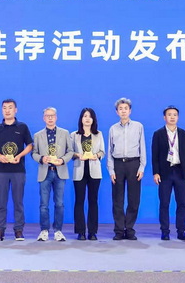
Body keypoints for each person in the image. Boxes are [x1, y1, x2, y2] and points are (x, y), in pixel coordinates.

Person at [0, 99, 33, 241]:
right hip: (1, 170)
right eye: (4, 108)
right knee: (1, 202)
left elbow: (30, 145)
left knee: (18, 201)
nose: (7, 110)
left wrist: (19, 156)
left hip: (18, 170)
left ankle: (18, 230)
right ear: (2, 110)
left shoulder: (22, 127)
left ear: (15, 110)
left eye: (10, 108)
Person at [32, 107, 74, 242]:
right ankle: (44, 230)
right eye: (47, 116)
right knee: (43, 204)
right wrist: (41, 158)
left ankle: (58, 231)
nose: (50, 118)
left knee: (59, 203)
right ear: (43, 118)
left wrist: (62, 160)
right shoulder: (38, 135)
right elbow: (34, 153)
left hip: (59, 172)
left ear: (56, 117)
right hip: (45, 172)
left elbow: (70, 151)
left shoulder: (64, 133)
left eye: (52, 116)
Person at [107, 97, 147, 241]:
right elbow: (109, 151)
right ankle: (119, 230)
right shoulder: (113, 128)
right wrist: (111, 170)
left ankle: (129, 229)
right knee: (117, 199)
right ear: (117, 112)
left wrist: (142, 167)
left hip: (133, 164)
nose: (123, 111)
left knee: (133, 199)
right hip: (118, 164)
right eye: (120, 109)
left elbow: (142, 147)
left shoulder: (138, 126)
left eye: (126, 108)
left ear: (130, 111)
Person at [151, 106, 185, 241]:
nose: (172, 117)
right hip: (165, 173)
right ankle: (165, 231)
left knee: (182, 203)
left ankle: (181, 231)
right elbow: (155, 155)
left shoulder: (183, 134)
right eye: (169, 114)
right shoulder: (158, 134)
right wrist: (156, 172)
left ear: (178, 117)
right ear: (165, 117)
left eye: (175, 115)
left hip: (180, 171)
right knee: (164, 203)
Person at [71, 108, 104, 241]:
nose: (87, 118)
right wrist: (78, 155)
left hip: (94, 171)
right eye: (85, 116)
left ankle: (92, 231)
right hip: (79, 171)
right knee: (79, 201)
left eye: (90, 116)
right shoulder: (74, 135)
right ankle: (80, 231)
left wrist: (96, 155)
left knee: (93, 201)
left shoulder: (98, 134)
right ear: (81, 119)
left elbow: (102, 151)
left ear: (93, 119)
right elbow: (70, 152)